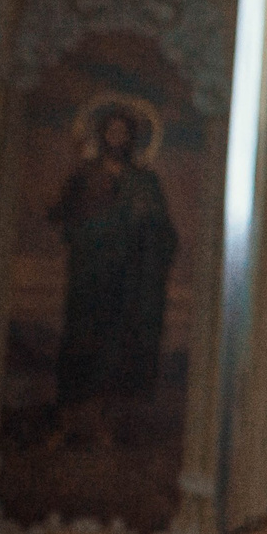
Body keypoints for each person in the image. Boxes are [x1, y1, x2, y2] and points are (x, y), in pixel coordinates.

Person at [50, 105, 177, 416]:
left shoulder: (144, 180)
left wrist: (145, 223)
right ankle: (79, 402)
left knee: (124, 335)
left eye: (123, 133)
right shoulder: (86, 174)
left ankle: (121, 405)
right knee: (87, 333)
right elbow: (61, 214)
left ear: (131, 138)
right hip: (91, 272)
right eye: (111, 131)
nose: (116, 138)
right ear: (102, 135)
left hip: (131, 277)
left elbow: (163, 229)